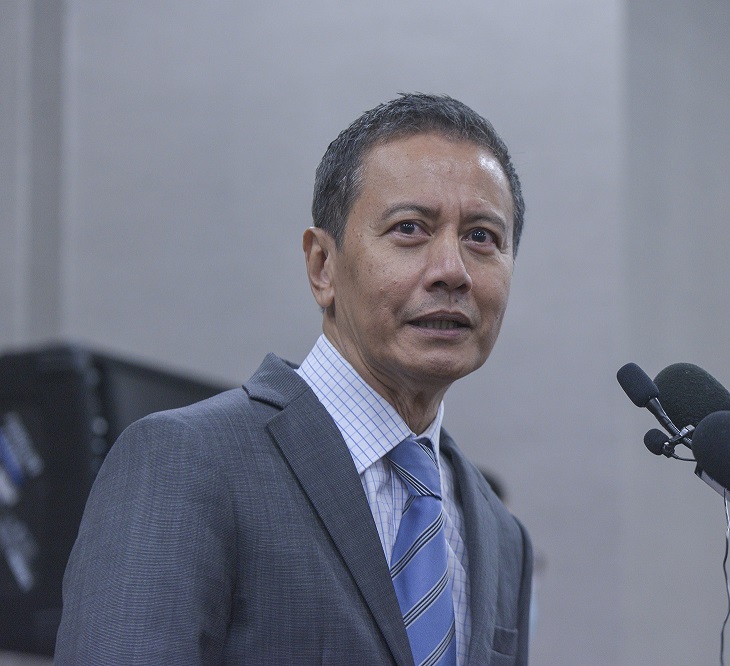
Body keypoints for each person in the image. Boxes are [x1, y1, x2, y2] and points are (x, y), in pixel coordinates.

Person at [55, 93, 533, 665]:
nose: (452, 271)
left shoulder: (502, 536)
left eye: (482, 237)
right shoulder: (185, 461)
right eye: (410, 228)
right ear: (322, 266)